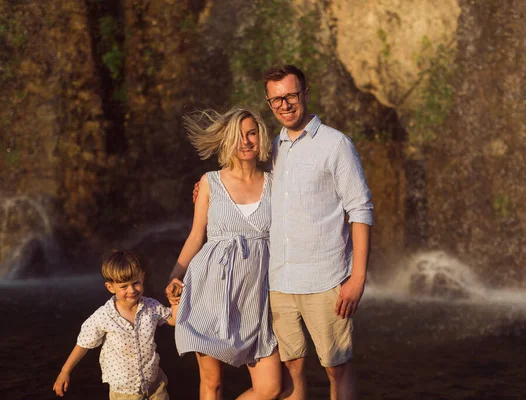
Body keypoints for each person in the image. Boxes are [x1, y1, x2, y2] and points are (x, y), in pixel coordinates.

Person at [263, 65, 373, 400]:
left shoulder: (335, 144)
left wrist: (357, 278)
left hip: (326, 281)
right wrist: (206, 187)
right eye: (275, 99)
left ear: (305, 95)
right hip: (280, 281)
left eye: (290, 95)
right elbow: (242, 182)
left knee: (336, 369)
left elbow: (361, 210)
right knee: (293, 368)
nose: (284, 104)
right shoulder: (271, 149)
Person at [165, 107, 281, 400]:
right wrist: (175, 275)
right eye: (238, 135)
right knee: (212, 384)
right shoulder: (209, 182)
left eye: (251, 133)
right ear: (226, 141)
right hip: (210, 289)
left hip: (258, 294)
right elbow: (196, 235)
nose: (245, 141)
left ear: (261, 136)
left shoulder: (275, 182)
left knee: (270, 388)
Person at [52, 249, 180, 399]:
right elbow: (83, 343)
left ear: (143, 278)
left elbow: (173, 320)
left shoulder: (151, 306)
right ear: (110, 287)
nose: (131, 290)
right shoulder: (104, 316)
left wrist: (174, 302)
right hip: (124, 391)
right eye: (124, 286)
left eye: (136, 283)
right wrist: (65, 371)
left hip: (155, 384)